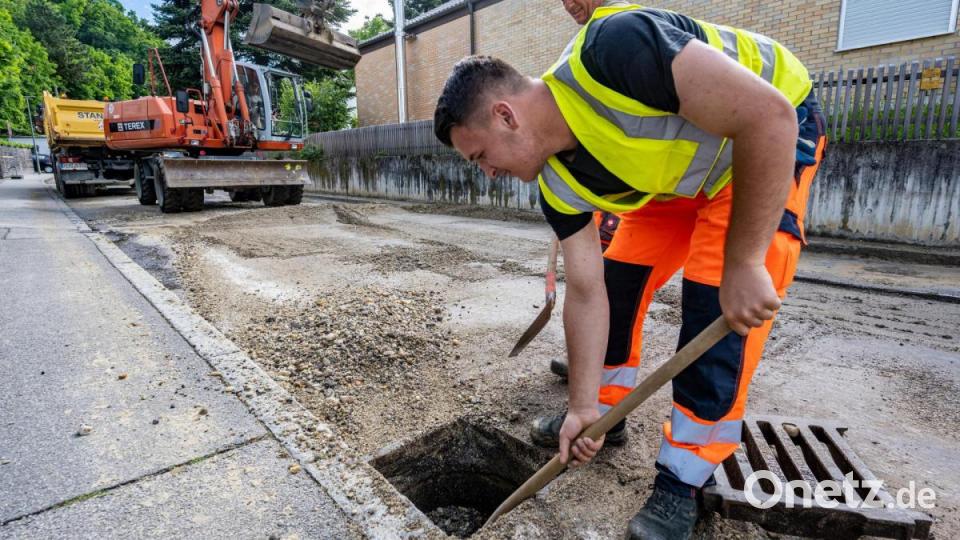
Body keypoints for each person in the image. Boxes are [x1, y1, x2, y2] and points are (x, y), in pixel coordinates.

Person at [433, 4, 825, 538]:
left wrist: (745, 261)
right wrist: (580, 407)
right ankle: (608, 414)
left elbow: (767, 116)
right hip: (678, 182)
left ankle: (684, 477)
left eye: (480, 156)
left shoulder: (613, 49)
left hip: (764, 142)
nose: (488, 173)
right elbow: (586, 294)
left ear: (506, 115)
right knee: (617, 283)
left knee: (715, 317)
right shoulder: (557, 186)